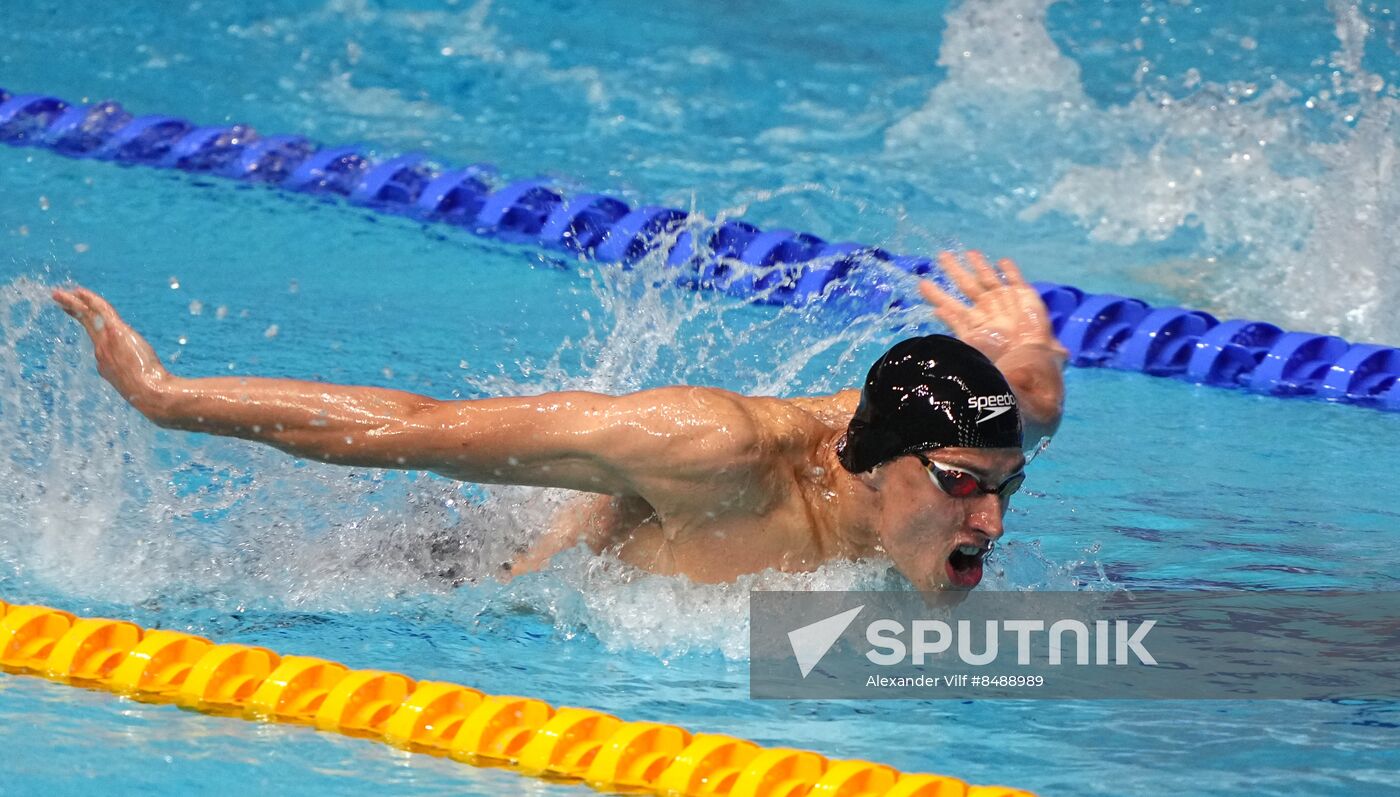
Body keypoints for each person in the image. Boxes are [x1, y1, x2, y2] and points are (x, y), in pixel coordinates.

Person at [51, 250, 1066, 591]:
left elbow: (1029, 394)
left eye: (1002, 487)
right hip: (488, 585)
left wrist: (1030, 347)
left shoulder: (981, 433)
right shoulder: (714, 452)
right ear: (871, 457)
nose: (992, 523)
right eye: (964, 487)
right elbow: (417, 425)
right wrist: (165, 395)